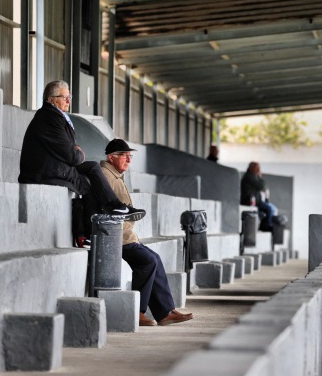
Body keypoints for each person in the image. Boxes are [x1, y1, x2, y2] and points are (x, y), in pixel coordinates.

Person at [18, 81, 146, 240]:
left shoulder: (56, 117)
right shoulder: (49, 118)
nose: (68, 101)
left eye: (69, 97)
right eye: (64, 97)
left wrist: (75, 150)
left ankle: (93, 227)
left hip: (54, 168)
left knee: (90, 175)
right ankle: (108, 213)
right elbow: (72, 156)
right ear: (51, 100)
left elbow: (69, 149)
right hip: (44, 172)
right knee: (89, 178)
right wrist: (78, 152)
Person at [101, 138, 194, 326]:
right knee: (148, 261)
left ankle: (165, 311)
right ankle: (138, 312)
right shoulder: (105, 175)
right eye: (124, 156)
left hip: (126, 235)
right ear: (111, 158)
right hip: (116, 236)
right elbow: (107, 206)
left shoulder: (114, 174)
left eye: (130, 156)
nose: (128, 159)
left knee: (155, 259)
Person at [240, 161, 278, 231]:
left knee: (272, 208)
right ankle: (266, 225)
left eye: (259, 168)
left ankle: (266, 224)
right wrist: (259, 176)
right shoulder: (249, 176)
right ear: (251, 168)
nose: (258, 170)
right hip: (249, 201)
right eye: (257, 168)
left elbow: (263, 188)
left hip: (257, 201)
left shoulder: (253, 176)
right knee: (270, 208)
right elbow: (262, 185)